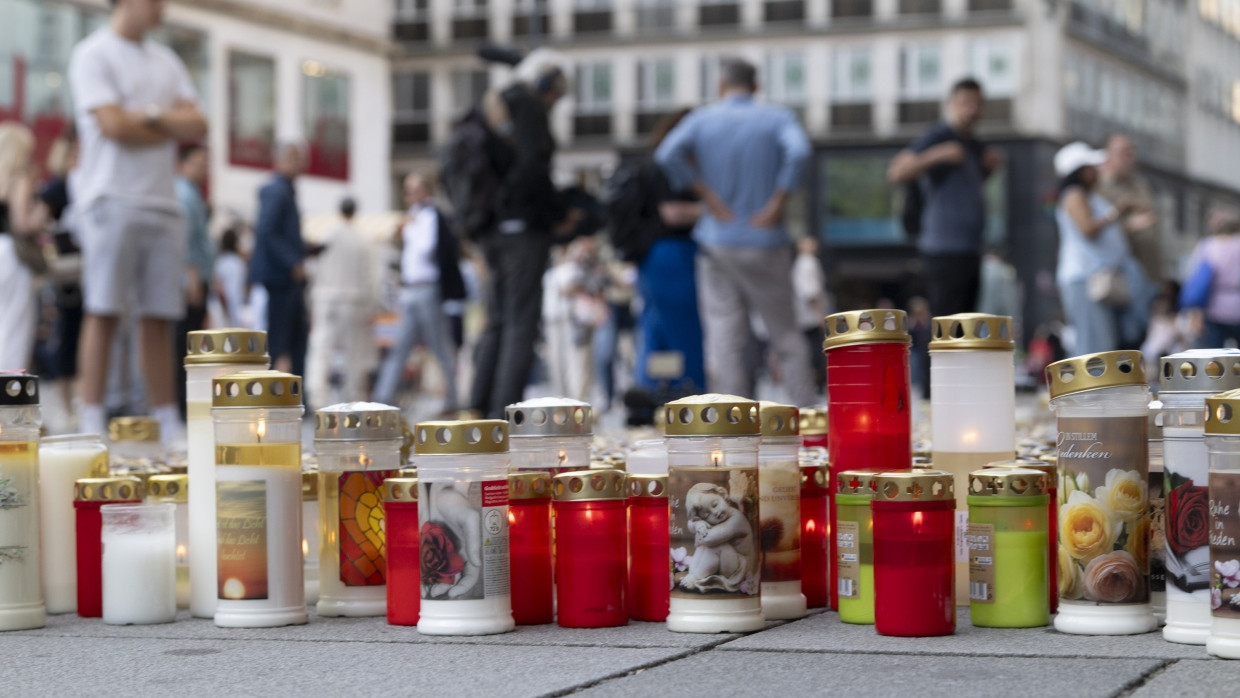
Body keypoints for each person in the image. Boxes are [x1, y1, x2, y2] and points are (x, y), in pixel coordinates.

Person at [68, 0, 207, 441]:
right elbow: (112, 125)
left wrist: (145, 115)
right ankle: (91, 413)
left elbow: (198, 123)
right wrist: (167, 122)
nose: (162, 7)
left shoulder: (167, 60)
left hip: (161, 201)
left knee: (159, 317)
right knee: (103, 309)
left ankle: (167, 417)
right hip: (111, 196)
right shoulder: (93, 53)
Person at [655, 57, 815, 407]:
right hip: (765, 241)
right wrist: (777, 202)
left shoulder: (703, 119)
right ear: (756, 87)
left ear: (720, 85)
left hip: (717, 241)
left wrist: (708, 196)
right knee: (785, 336)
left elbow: (667, 154)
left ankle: (735, 425)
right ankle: (806, 420)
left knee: (726, 338)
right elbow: (800, 150)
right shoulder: (777, 118)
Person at [469, 62, 579, 418]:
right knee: (521, 324)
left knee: (498, 320)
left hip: (494, 230)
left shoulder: (495, 108)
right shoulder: (529, 105)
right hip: (522, 233)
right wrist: (556, 214)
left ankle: (479, 409)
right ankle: (504, 415)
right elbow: (534, 166)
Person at [612, 108, 706, 404]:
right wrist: (715, 211)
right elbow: (672, 212)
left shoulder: (650, 163)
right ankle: (689, 397)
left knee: (656, 329)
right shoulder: (671, 165)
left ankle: (652, 391)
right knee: (684, 331)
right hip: (674, 254)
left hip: (651, 258)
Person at [887, 78, 1002, 318]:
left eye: (977, 103)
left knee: (966, 326)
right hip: (943, 249)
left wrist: (988, 169)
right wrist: (938, 154)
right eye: (965, 102)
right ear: (951, 104)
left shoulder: (974, 145)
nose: (972, 109)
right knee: (946, 326)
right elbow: (896, 172)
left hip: (971, 248)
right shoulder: (939, 136)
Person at [1053, 141, 1155, 356]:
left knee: (1104, 342)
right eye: (1091, 167)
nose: (1097, 171)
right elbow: (1088, 228)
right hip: (1085, 280)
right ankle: (1089, 391)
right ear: (1080, 172)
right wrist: (1118, 210)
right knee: (1094, 345)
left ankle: (1098, 389)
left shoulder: (1090, 197)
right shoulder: (1074, 195)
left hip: (1098, 280)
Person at [373, 174, 465, 412]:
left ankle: (452, 398)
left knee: (440, 346)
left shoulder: (430, 216)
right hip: (410, 290)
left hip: (427, 289)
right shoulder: (414, 218)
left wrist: (410, 229)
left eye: (413, 190)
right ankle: (383, 398)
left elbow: (428, 250)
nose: (409, 196)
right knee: (399, 347)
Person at [306, 197, 378, 408]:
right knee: (353, 352)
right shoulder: (361, 240)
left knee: (321, 348)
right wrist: (371, 303)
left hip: (328, 298)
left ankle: (317, 396)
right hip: (353, 301)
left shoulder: (329, 234)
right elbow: (370, 276)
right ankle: (353, 396)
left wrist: (315, 294)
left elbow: (315, 266)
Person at [249, 143, 308, 379]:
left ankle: (295, 394)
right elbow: (267, 232)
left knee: (296, 336)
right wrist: (292, 261)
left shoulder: (286, 190)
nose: (298, 164)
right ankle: (273, 392)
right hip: (281, 276)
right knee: (280, 338)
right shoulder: (276, 190)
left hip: (287, 276)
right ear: (279, 161)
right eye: (292, 158)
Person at [40, 130, 83, 419]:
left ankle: (80, 399)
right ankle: (68, 402)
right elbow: (39, 223)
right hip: (68, 273)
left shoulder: (83, 186)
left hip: (86, 270)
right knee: (68, 334)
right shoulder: (56, 190)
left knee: (82, 332)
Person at [0, 123, 49, 371]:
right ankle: (8, 394)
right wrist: (40, 215)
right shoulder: (19, 176)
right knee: (15, 327)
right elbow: (22, 223)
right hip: (12, 255)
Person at [174, 143, 212, 418]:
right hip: (192, 279)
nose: (203, 169)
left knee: (188, 341)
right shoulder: (185, 195)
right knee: (185, 343)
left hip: (197, 276)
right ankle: (181, 402)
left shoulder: (192, 194)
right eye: (198, 163)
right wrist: (192, 277)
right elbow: (186, 242)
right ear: (184, 164)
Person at [1098, 134, 1162, 286]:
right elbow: (1096, 230)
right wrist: (1128, 227)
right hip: (1117, 276)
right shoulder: (1099, 188)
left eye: (1132, 152)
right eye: (1124, 153)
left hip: (1149, 272)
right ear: (1109, 156)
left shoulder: (1140, 185)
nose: (1130, 158)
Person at [1186, 208, 1240, 348]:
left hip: (1212, 304)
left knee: (1215, 356)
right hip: (1236, 303)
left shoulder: (1207, 245)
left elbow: (1196, 279)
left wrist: (1195, 312)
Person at [792, 235, 829, 393]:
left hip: (804, 317)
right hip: (811, 318)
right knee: (817, 354)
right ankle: (816, 386)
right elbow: (810, 293)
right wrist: (820, 315)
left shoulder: (799, 263)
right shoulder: (808, 262)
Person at [212, 227, 249, 329]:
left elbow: (218, 286)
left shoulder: (220, 262)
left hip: (223, 308)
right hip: (235, 308)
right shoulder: (239, 263)